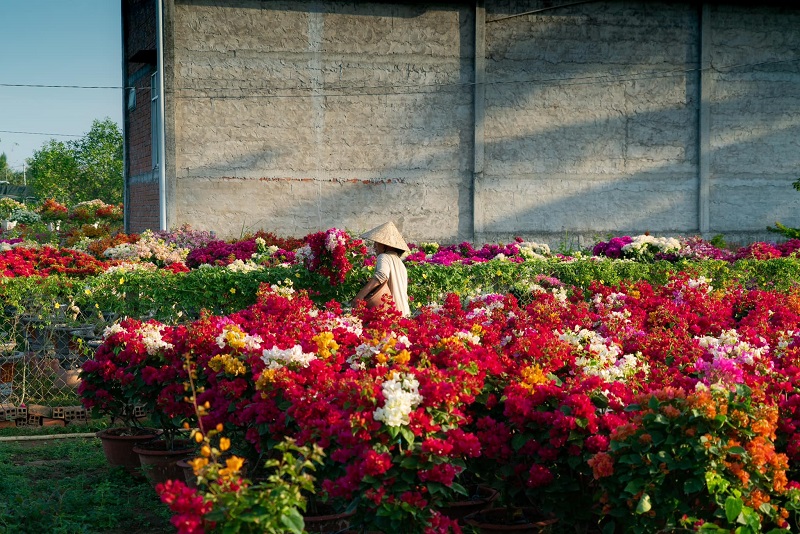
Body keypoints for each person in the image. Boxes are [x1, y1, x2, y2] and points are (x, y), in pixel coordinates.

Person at [353, 221, 410, 317]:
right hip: (404, 312)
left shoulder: (384, 256)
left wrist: (360, 295)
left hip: (391, 314)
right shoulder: (400, 263)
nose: (374, 246)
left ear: (385, 245)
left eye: (376, 243)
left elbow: (381, 275)